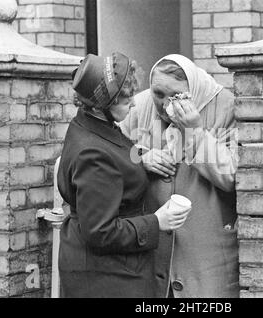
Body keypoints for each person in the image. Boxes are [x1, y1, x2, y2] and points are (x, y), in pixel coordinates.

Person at [57, 53, 190, 298]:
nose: (133, 104)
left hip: (110, 268)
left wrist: (140, 157)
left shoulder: (90, 124)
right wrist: (157, 222)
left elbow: (115, 150)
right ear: (102, 104)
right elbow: (100, 232)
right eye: (126, 99)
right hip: (105, 277)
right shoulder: (92, 155)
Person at [121, 54, 239, 298]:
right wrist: (141, 156)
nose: (165, 105)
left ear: (193, 90)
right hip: (152, 254)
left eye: (176, 96)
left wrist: (194, 131)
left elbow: (230, 175)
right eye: (159, 94)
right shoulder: (139, 105)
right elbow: (116, 152)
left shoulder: (226, 106)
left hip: (206, 255)